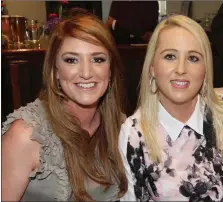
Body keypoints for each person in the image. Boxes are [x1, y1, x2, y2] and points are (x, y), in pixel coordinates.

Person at [2, 14, 129, 201]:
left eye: (98, 59)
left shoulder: (122, 128)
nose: (86, 73)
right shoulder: (27, 135)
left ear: (110, 71)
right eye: (71, 60)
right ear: (55, 72)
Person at [119, 15, 223, 201]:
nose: (181, 69)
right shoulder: (133, 134)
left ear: (205, 69)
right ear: (152, 67)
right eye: (170, 56)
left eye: (193, 58)